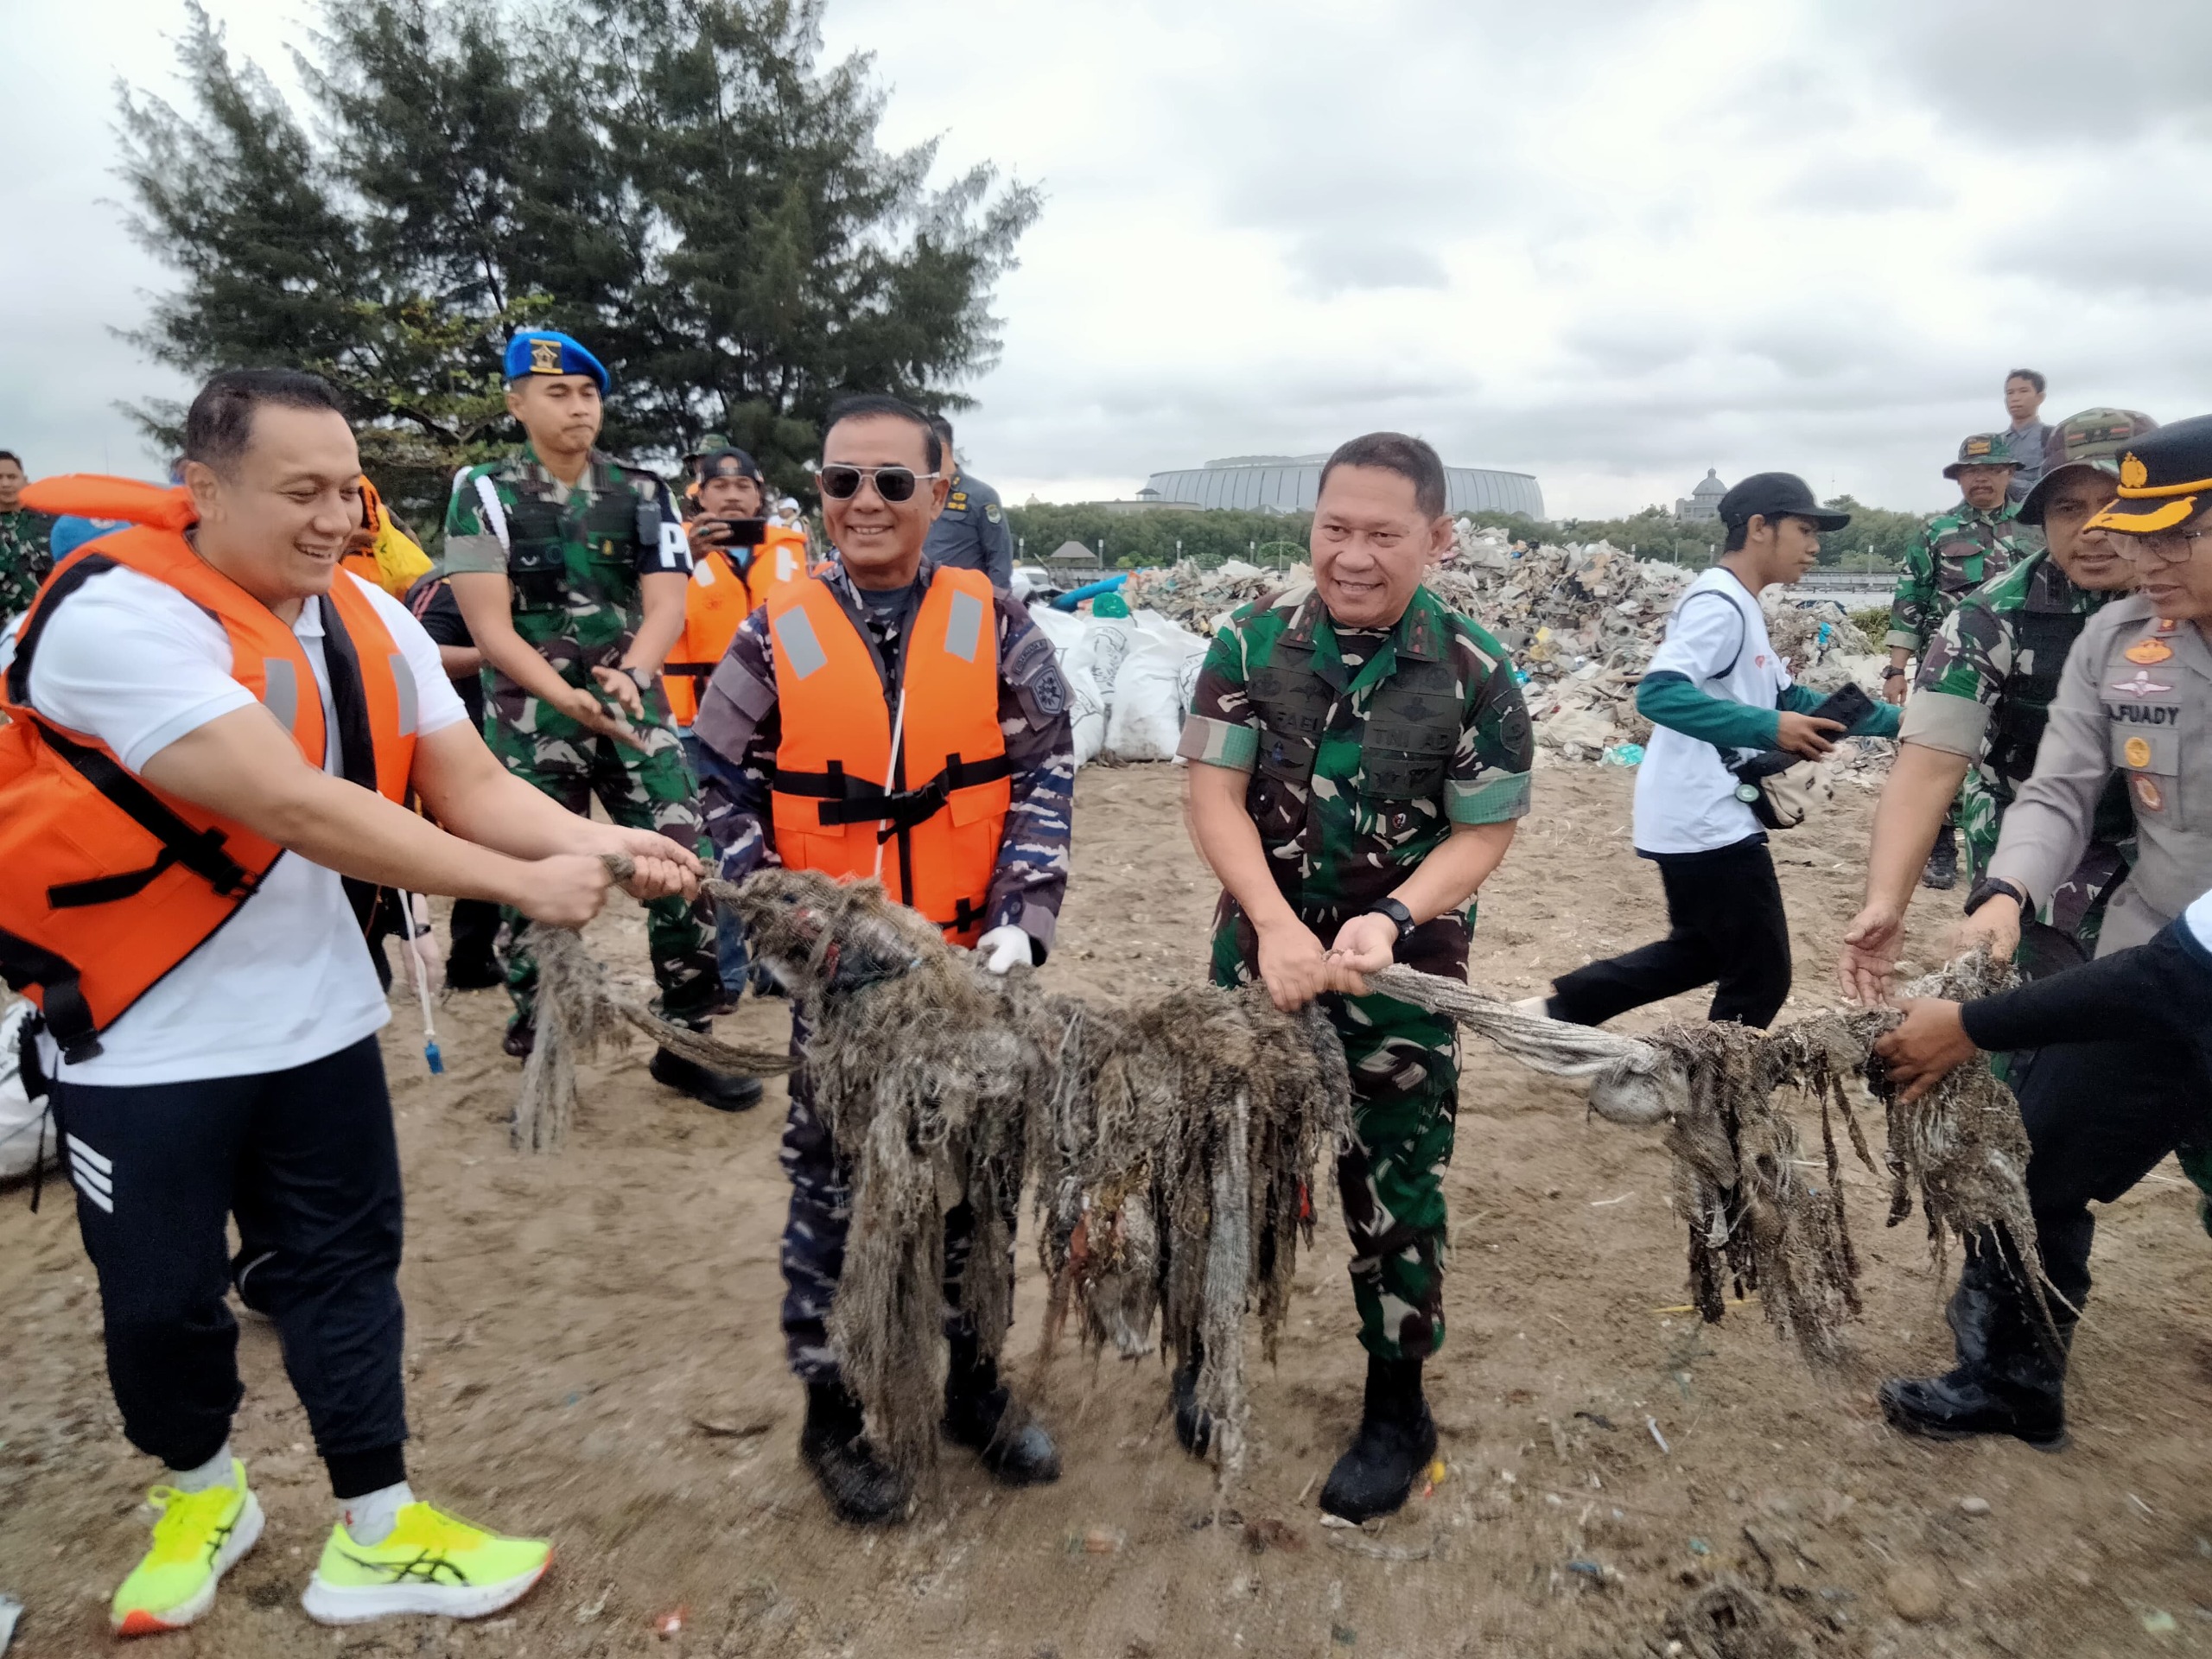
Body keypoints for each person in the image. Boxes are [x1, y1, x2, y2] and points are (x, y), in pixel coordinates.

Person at [0, 369, 702, 1634]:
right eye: (301, 493)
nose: (336, 521)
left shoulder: (365, 617)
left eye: (351, 493)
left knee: (340, 1273)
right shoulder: (117, 618)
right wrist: (524, 886)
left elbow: (470, 779)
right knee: (159, 1300)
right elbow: (292, 803)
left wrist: (604, 849)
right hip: (137, 1036)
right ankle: (203, 1494)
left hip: (321, 1025)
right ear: (201, 489)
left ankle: (376, 1528)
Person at [690, 392, 1076, 1524]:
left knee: (980, 1182)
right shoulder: (776, 630)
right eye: (842, 482)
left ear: (938, 494)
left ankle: (974, 1383)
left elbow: (1048, 767)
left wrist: (1028, 911)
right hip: (841, 979)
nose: (864, 502)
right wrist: (789, 923)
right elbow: (716, 782)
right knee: (832, 1188)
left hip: (971, 969)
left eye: (891, 482)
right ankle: (832, 1411)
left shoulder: (998, 623)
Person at [1179, 431, 1534, 1522]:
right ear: (1312, 527)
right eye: (1336, 529)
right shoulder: (1246, 646)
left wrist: (1389, 917)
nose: (1354, 555)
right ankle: (1214, 1351)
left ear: (1437, 537)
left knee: (1394, 1188)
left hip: (1401, 976)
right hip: (1259, 967)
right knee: (1231, 1163)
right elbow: (1211, 796)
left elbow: (1482, 834)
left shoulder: (1476, 671)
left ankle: (1396, 1406)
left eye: (1384, 534)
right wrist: (1278, 928)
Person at [1875, 412, 2212, 1449]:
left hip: (2181, 965)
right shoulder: (2120, 640)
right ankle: (2015, 1383)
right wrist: (2007, 892)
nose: (2138, 556)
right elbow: (2059, 789)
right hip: (2149, 941)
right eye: (2130, 529)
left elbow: (2185, 972)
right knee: (2036, 1157)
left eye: (2170, 537)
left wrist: (1973, 1027)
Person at [442, 328, 759, 1109]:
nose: (578, 407)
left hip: (633, 711)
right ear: (517, 403)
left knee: (687, 860)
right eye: (557, 393)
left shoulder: (644, 491)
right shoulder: (481, 493)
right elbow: (489, 629)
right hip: (528, 720)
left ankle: (687, 1038)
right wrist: (558, 692)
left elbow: (667, 602)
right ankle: (543, 1043)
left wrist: (637, 673)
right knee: (537, 884)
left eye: (588, 393)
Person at [1537, 475, 1898, 1032]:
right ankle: (1714, 1096)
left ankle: (1559, 1012)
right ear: (1759, 529)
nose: (1815, 546)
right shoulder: (1720, 603)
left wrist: (1909, 723)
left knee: (1704, 951)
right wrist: (1768, 728)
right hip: (1705, 814)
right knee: (1761, 975)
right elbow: (1659, 692)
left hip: (1701, 810)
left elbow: (1793, 698)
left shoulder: (1741, 604)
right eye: (1804, 529)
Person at [1838, 410, 2156, 1002]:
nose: (2092, 527)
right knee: (2032, 1014)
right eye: (2068, 508)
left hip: (2167, 840)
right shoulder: (1993, 617)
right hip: (2029, 840)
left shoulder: (2193, 607)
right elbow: (1929, 766)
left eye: (2116, 503)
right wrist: (1885, 904)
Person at [664, 445, 809, 997]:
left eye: (743, 486)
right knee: (715, 853)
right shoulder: (668, 549)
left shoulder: (792, 550)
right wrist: (681, 562)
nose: (731, 495)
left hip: (781, 722)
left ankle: (775, 969)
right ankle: (726, 975)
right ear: (697, 494)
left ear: (759, 491)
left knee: (781, 847)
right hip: (697, 724)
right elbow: (644, 619)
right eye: (718, 487)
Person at [1885, 433, 2034, 888]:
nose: (1980, 479)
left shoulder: (2035, 527)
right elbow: (1910, 595)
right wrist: (1896, 668)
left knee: (2015, 753)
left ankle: (2017, 850)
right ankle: (1943, 847)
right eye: (1971, 471)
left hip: (2024, 664)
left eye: (1990, 470)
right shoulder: (1938, 532)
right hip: (1952, 666)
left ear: (2009, 473)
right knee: (1941, 752)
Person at [400, 571, 505, 989]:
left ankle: (475, 956)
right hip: (452, 737)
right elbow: (421, 653)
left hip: (505, 730)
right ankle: (458, 950)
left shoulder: (514, 582)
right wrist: (501, 652)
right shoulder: (445, 588)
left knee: (497, 842)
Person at [920, 413, 1014, 590]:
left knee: (965, 619)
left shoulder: (980, 496)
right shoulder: (918, 492)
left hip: (965, 600)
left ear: (942, 449)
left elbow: (999, 559)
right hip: (920, 599)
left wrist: (995, 604)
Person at [0, 449, 57, 618]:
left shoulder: (52, 522)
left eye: (12, 477)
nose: (5, 484)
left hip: (44, 627)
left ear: (25, 480)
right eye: (0, 477)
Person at [2003, 369, 2052, 505]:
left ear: (2040, 397)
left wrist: (2004, 481)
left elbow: (2053, 488)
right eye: (2010, 393)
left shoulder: (2052, 438)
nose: (2015, 398)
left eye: (2024, 391)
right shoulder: (1996, 443)